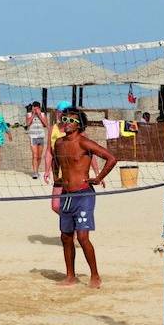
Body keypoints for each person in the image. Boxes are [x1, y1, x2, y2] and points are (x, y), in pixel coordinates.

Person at [51, 108, 117, 289]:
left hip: (83, 194)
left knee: (82, 237)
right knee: (65, 237)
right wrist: (56, 178)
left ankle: (95, 275)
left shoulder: (84, 142)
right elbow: (55, 161)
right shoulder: (59, 143)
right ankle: (70, 276)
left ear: (79, 124)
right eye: (63, 119)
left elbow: (111, 158)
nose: (65, 122)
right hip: (66, 195)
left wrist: (99, 177)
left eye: (70, 120)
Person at [24, 102, 51, 182]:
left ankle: (37, 170)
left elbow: (46, 125)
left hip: (41, 136)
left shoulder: (42, 114)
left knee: (39, 156)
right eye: (34, 107)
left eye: (37, 108)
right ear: (32, 108)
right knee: (35, 155)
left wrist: (39, 115)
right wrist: (33, 114)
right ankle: (35, 172)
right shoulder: (29, 114)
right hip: (33, 136)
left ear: (39, 108)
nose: (35, 109)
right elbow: (27, 124)